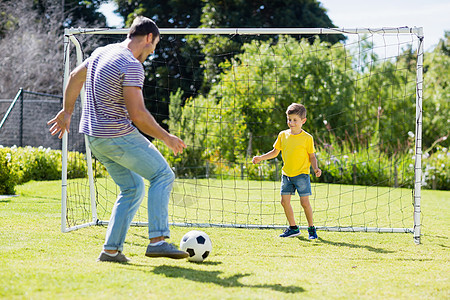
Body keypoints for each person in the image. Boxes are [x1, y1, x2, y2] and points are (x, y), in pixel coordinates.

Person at [48, 16, 189, 262]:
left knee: (133, 188)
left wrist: (67, 111)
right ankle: (158, 240)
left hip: (94, 138)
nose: (153, 50)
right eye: (154, 44)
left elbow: (74, 76)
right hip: (116, 136)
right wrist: (166, 137)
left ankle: (111, 250)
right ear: (148, 38)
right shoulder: (132, 64)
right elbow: (138, 115)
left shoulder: (103, 51)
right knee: (163, 175)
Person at [252, 103, 321, 239]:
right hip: (287, 175)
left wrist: (316, 168)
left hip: (302, 174)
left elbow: (312, 156)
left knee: (304, 203)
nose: (291, 122)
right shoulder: (283, 135)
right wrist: (261, 158)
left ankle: (311, 228)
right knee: (284, 202)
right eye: (289, 119)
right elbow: (275, 152)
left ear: (303, 121)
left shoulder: (308, 138)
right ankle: (293, 228)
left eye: (295, 120)